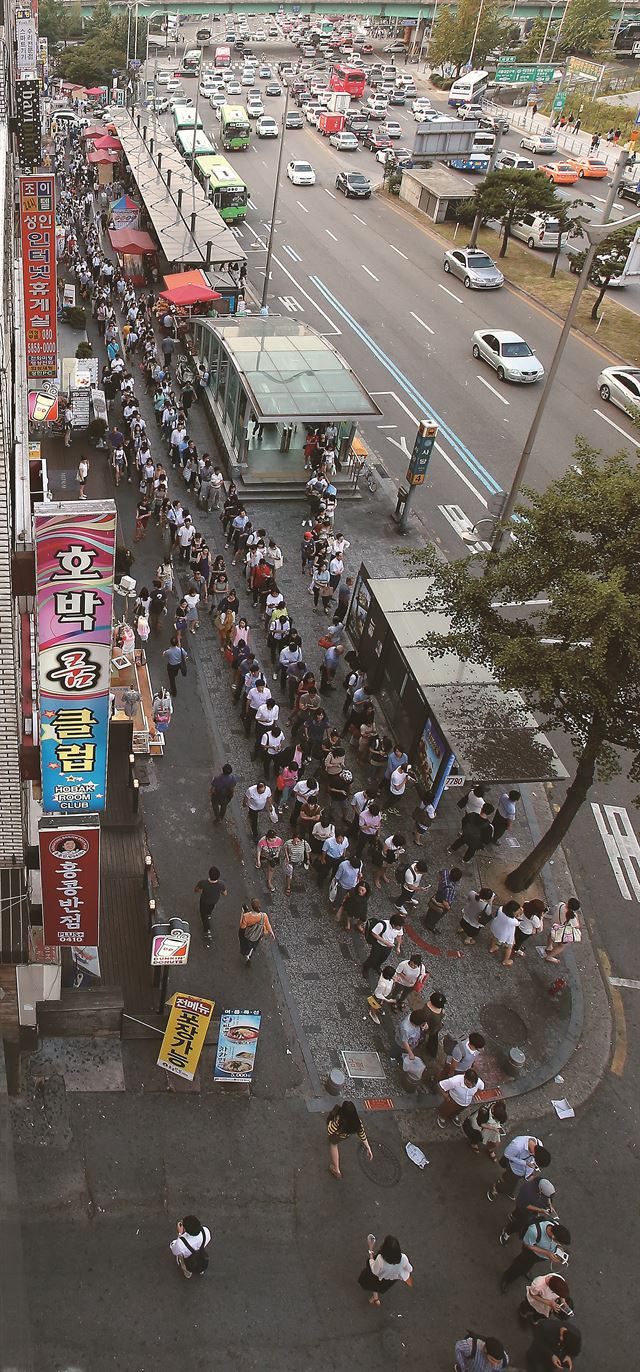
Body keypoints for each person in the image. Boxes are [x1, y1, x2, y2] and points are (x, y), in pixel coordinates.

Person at [500, 1219, 571, 1292]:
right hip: (530, 1253)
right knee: (519, 1265)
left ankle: (525, 1269)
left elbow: (555, 1244)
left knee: (529, 1264)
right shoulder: (534, 1231)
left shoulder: (555, 1226)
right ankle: (507, 1278)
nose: (559, 1244)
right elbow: (527, 1244)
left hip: (541, 1256)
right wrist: (547, 1253)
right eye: (559, 1243)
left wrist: (558, 1249)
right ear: (553, 1237)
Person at [488, 1136, 551, 1202]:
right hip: (514, 1169)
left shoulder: (539, 1144)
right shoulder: (517, 1145)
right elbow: (507, 1154)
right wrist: (525, 1163)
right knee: (509, 1180)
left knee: (512, 1183)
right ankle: (496, 1188)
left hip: (523, 1172)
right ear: (534, 1155)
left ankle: (507, 1190)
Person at [499, 1176, 557, 1246]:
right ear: (541, 1190)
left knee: (517, 1214)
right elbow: (526, 1205)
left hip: (530, 1208)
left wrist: (549, 1205)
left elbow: (548, 1198)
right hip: (523, 1209)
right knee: (520, 1224)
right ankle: (507, 1232)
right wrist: (541, 1210)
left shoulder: (542, 1183)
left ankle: (513, 1215)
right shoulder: (527, 1191)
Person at [357, 1234, 413, 1307]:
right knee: (376, 1287)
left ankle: (375, 1298)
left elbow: (374, 1271)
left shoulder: (380, 1259)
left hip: (378, 1277)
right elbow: (410, 1269)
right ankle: (375, 1298)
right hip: (388, 1281)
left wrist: (371, 1251)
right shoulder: (404, 1258)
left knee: (373, 1284)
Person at [326, 1099, 373, 1178]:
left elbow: (330, 1130)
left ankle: (336, 1169)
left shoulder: (339, 1122)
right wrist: (368, 1146)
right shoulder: (357, 1122)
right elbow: (361, 1133)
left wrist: (331, 1122)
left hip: (336, 1136)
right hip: (345, 1136)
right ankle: (336, 1169)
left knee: (333, 1145)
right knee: (335, 1145)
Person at [193, 867, 227, 947]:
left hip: (204, 901)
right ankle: (209, 915)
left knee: (203, 914)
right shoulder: (221, 884)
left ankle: (207, 929)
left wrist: (200, 891)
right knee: (210, 910)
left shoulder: (203, 883)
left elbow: (196, 889)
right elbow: (225, 893)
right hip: (214, 901)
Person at [169, 1215, 211, 1280]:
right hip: (201, 1255)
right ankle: (201, 1270)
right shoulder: (206, 1231)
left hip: (189, 1259)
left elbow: (174, 1250)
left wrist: (179, 1234)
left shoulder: (181, 1243)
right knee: (201, 1263)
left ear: (185, 1229)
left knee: (186, 1266)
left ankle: (188, 1274)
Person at [423, 866, 463, 931]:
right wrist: (448, 908)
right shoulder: (450, 889)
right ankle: (430, 926)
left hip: (439, 893)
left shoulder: (445, 872)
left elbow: (439, 874)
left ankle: (427, 918)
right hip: (441, 901)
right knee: (436, 915)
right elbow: (445, 903)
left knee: (431, 909)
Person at [238, 897, 275, 963]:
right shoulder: (264, 915)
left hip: (249, 935)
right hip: (258, 935)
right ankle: (250, 953)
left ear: (251, 907)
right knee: (253, 944)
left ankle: (247, 955)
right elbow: (267, 924)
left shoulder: (246, 916)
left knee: (246, 945)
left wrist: (242, 913)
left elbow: (242, 927)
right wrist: (271, 932)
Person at [545, 898, 582, 962]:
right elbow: (577, 926)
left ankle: (549, 946)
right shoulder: (572, 917)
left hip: (554, 926)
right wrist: (576, 917)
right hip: (562, 932)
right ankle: (549, 957)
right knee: (561, 946)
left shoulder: (561, 904)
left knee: (551, 935)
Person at [488, 901, 522, 968]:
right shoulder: (512, 921)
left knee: (495, 937)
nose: (519, 911)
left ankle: (492, 948)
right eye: (517, 910)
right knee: (509, 946)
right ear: (513, 912)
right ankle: (506, 960)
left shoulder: (501, 909)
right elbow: (518, 923)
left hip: (497, 927)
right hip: (506, 933)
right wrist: (519, 914)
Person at [256, 829, 283, 893]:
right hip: (264, 854)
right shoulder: (262, 841)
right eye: (271, 838)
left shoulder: (279, 840)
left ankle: (269, 882)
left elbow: (280, 846)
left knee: (271, 868)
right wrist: (258, 860)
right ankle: (260, 861)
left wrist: (277, 853)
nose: (273, 839)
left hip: (272, 856)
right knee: (262, 860)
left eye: (274, 837)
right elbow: (259, 850)